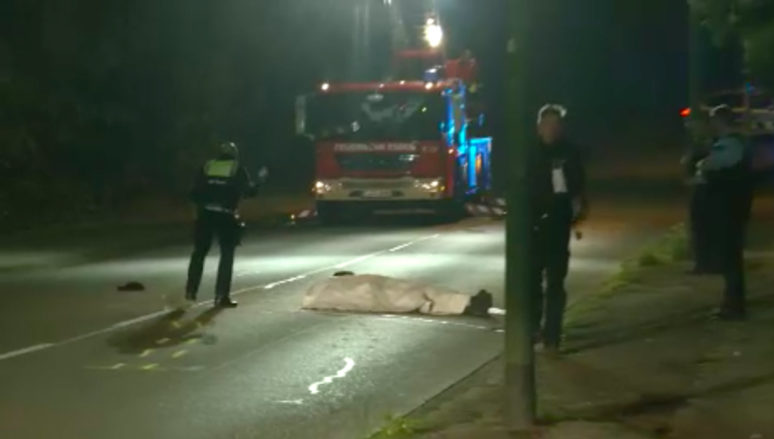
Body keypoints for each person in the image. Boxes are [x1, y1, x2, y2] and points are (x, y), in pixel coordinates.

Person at [527, 104, 588, 351]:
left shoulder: (570, 153)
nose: (551, 129)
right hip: (533, 225)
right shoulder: (530, 153)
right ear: (539, 126)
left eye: (556, 124)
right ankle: (532, 328)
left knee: (555, 282)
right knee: (531, 281)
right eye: (547, 124)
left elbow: (578, 187)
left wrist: (576, 209)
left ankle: (553, 334)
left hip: (558, 223)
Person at [185, 142, 266, 308]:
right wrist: (259, 182)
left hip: (205, 215)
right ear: (235, 154)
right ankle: (221, 296)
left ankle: (190, 293)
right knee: (227, 255)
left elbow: (193, 192)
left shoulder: (207, 166)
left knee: (199, 253)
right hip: (226, 215)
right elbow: (248, 192)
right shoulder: (237, 168)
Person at [696, 105, 753, 320]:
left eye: (713, 120)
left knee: (731, 261)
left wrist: (703, 167)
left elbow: (709, 166)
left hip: (729, 211)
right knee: (730, 259)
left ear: (720, 121)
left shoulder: (730, 145)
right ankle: (731, 304)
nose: (710, 124)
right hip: (731, 210)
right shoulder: (733, 144)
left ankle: (734, 307)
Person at [303, 272, 493, 317]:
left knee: (412, 293)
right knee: (410, 293)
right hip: (370, 291)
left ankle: (466, 302)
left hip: (372, 288)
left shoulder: (320, 291)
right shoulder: (328, 287)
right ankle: (467, 303)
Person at [683, 115, 721, 274]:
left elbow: (710, 165)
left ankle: (707, 263)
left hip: (706, 189)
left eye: (692, 124)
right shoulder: (699, 143)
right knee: (699, 227)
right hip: (699, 188)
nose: (689, 127)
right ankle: (703, 262)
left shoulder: (711, 143)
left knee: (704, 227)